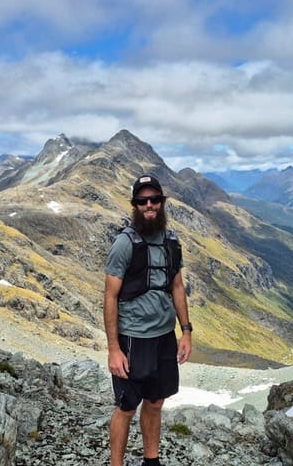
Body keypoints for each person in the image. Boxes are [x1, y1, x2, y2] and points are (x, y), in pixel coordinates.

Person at [104, 174, 193, 466]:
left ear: (162, 203)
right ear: (135, 205)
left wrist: (186, 332)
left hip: (164, 337)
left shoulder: (172, 243)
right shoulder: (124, 244)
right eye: (142, 201)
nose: (149, 205)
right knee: (127, 406)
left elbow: (177, 287)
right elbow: (110, 296)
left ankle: (150, 461)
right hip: (133, 338)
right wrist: (114, 349)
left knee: (155, 402)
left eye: (154, 199)